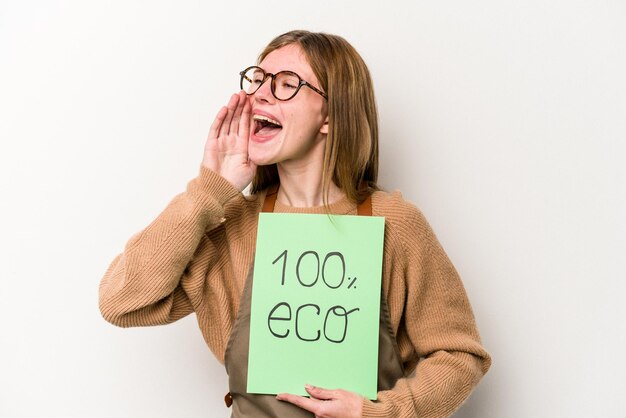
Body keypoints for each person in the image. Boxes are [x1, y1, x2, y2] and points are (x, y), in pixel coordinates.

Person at [99, 30, 491, 418]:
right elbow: (121, 301)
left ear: (331, 115)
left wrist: (384, 412)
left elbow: (460, 355)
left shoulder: (395, 224)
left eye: (287, 84)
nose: (260, 95)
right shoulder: (234, 227)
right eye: (258, 80)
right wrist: (209, 192)